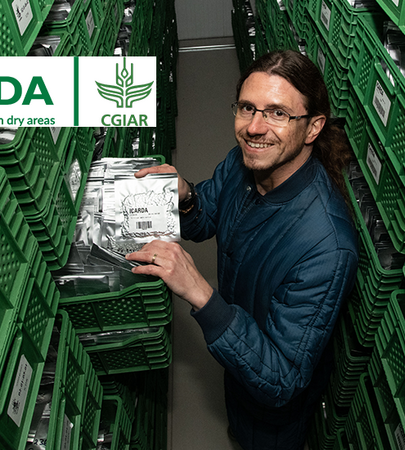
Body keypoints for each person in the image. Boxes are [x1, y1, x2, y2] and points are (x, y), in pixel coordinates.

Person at [126, 49, 359, 450]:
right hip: (238, 351)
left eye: (277, 113)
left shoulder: (327, 247)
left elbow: (282, 380)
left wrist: (201, 293)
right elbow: (206, 219)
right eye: (247, 108)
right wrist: (185, 196)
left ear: (313, 127)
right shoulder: (243, 163)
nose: (254, 127)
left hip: (272, 412)